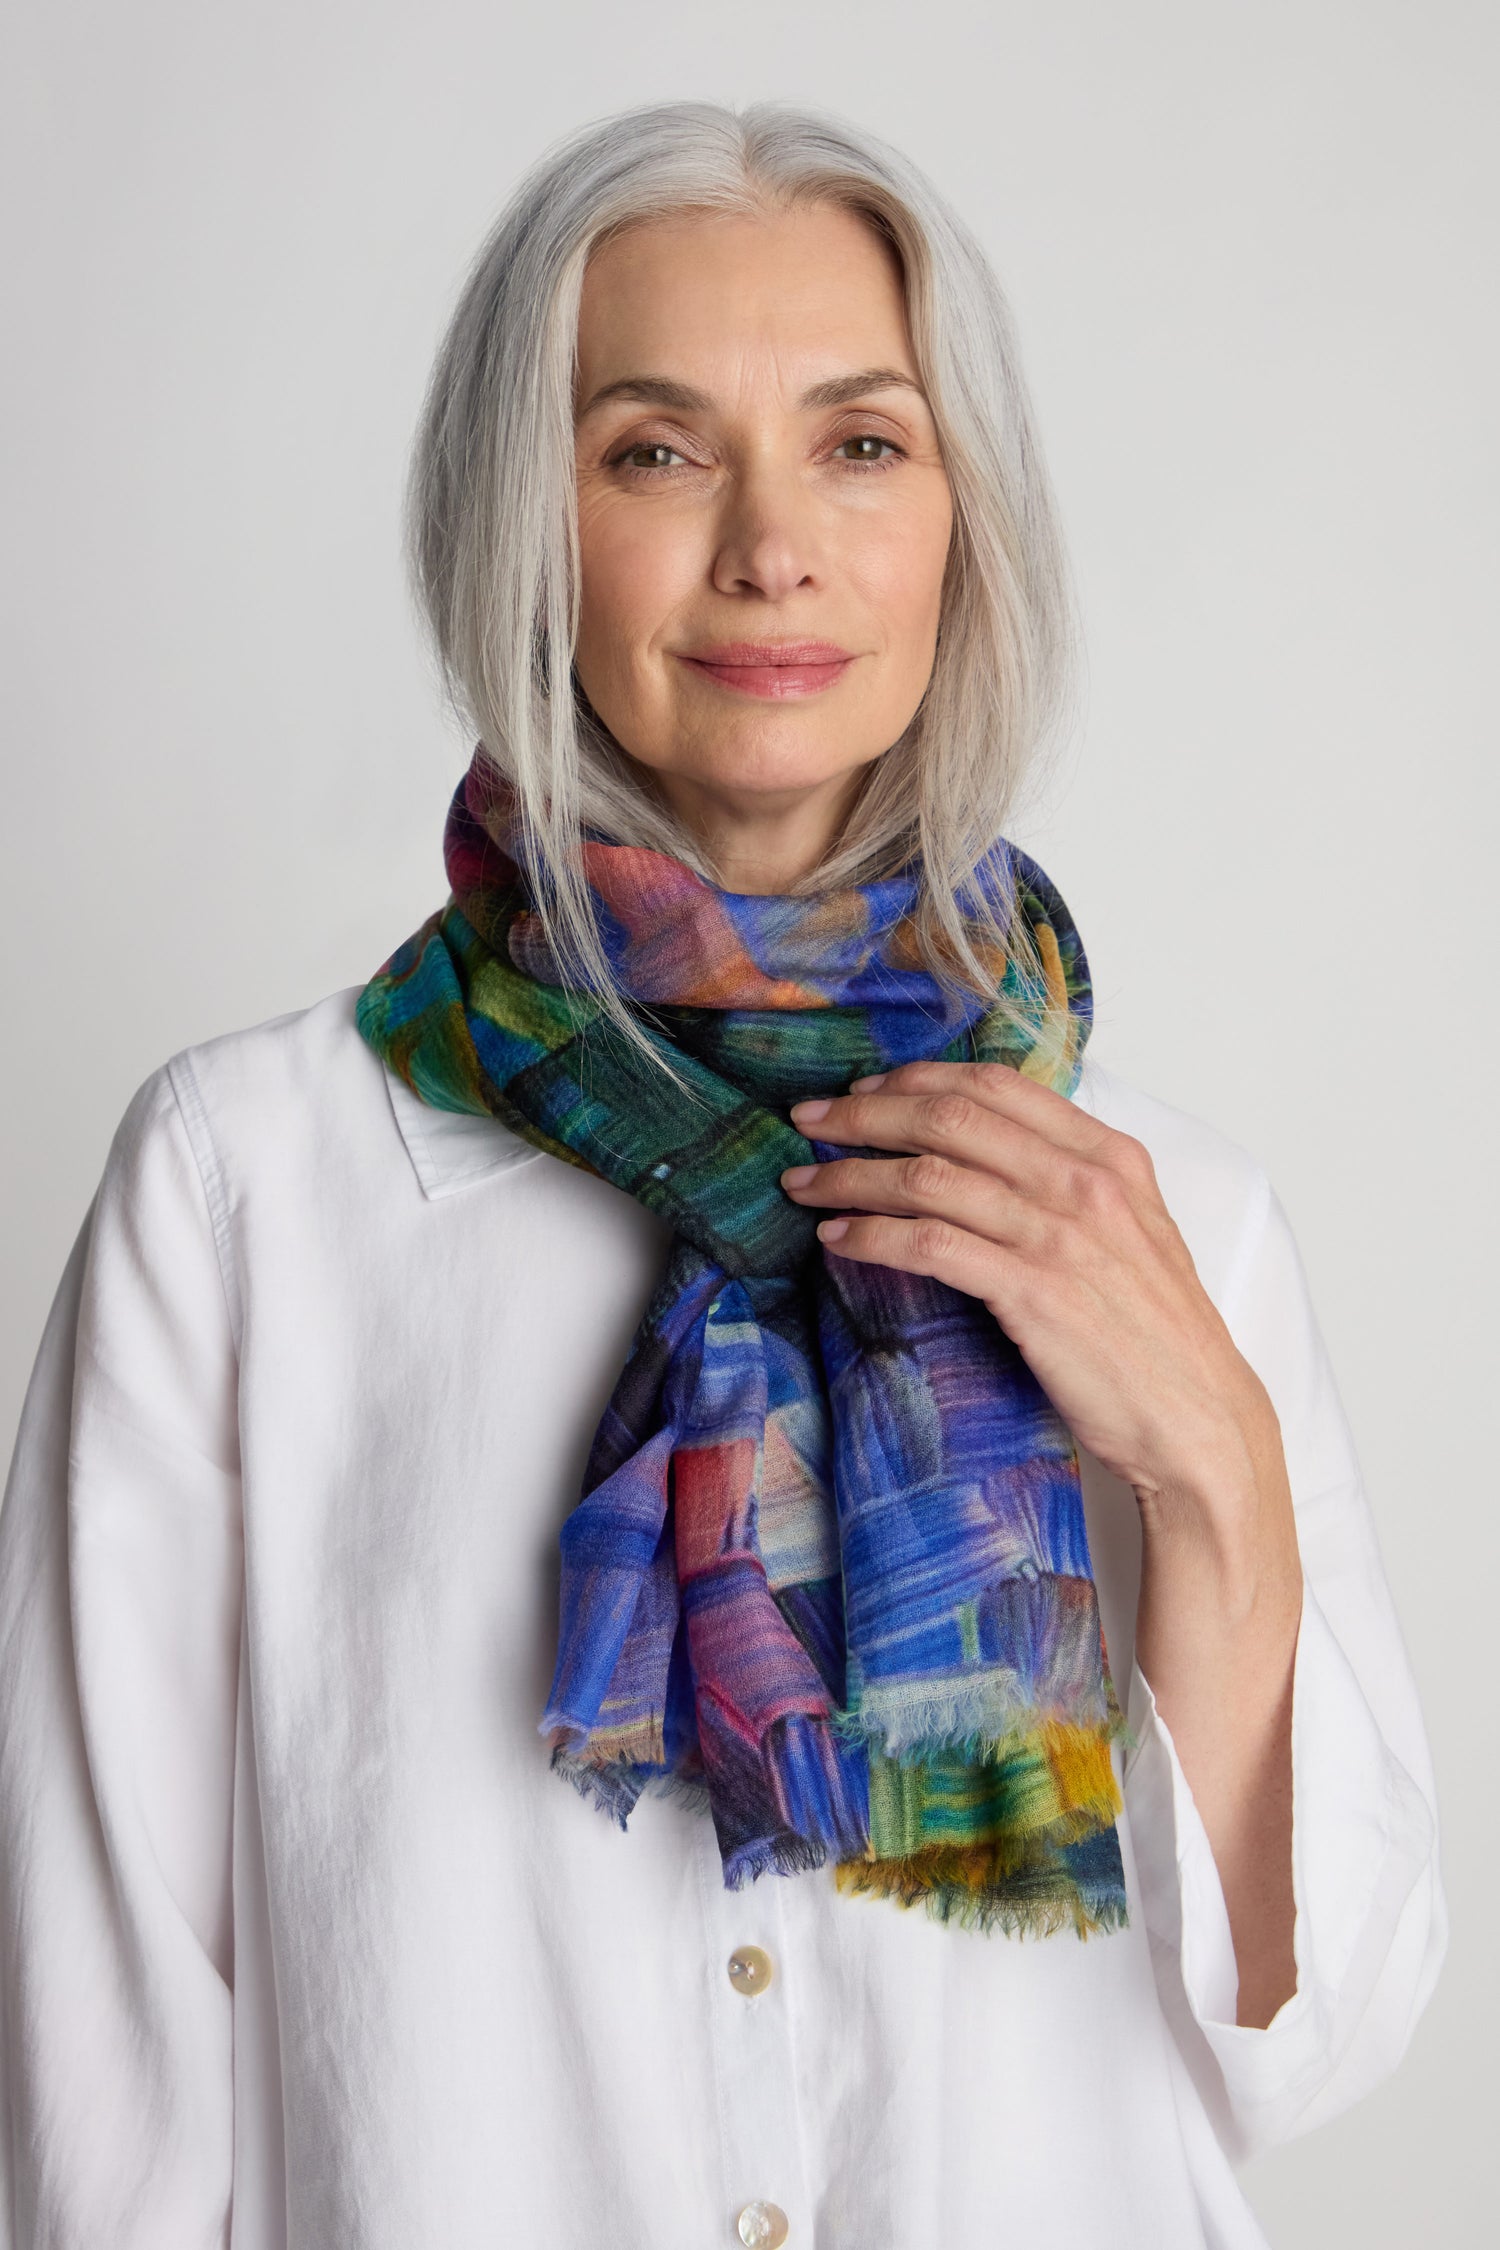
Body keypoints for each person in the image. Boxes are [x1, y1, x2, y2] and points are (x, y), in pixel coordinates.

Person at [0, 100, 1445, 2250]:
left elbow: (1307, 2045)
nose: (774, 546)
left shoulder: (1157, 1209)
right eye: (656, 451)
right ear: (524, 519)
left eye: (863, 444)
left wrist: (1215, 1470)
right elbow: (98, 2074)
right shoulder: (251, 1193)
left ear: (965, 522)